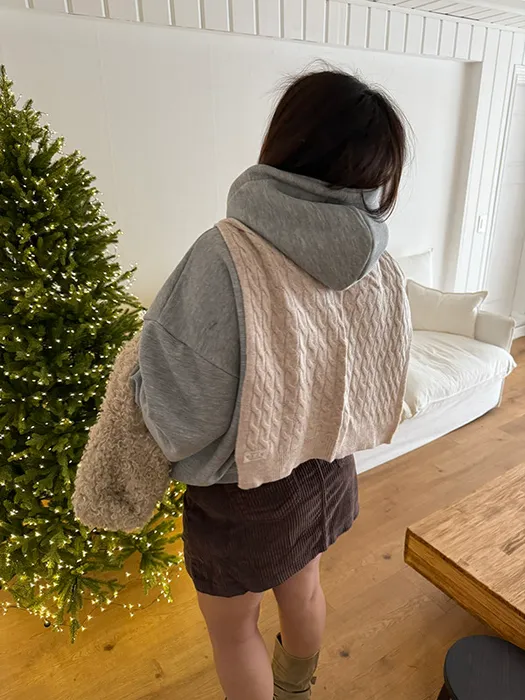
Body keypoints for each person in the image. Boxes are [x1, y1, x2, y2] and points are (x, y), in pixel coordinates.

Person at [131, 68, 411, 700]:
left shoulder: (223, 256)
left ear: (287, 139)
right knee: (304, 590)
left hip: (245, 495)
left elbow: (182, 418)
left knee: (235, 634)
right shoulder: (377, 260)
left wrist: (140, 383)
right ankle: (296, 693)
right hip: (327, 466)